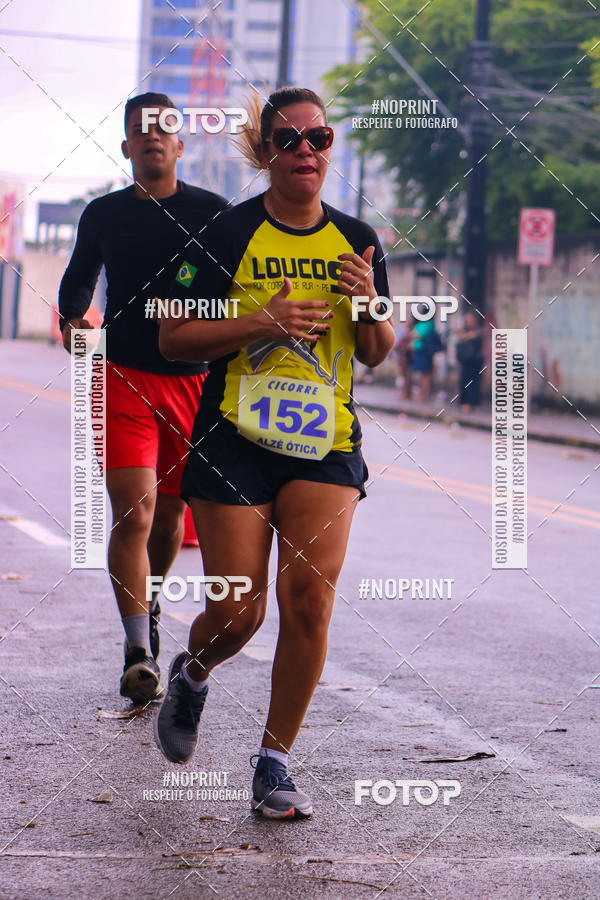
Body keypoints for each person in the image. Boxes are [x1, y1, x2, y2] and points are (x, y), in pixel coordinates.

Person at [153, 87, 396, 819]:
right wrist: (262, 322)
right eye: (288, 141)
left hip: (324, 442)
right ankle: (192, 673)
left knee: (310, 601)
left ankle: (274, 761)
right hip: (236, 438)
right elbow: (171, 336)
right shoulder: (226, 236)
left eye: (317, 139)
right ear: (264, 152)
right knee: (238, 612)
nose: (305, 152)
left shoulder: (357, 239)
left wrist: (369, 304)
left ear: (330, 149)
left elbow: (379, 354)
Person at [58, 93, 228, 704]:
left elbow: (234, 287)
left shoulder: (212, 212)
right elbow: (77, 282)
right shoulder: (102, 215)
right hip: (124, 376)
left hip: (196, 382)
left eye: (163, 129)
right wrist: (73, 319)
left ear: (180, 144)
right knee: (135, 509)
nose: (152, 137)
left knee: (173, 517)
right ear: (127, 146)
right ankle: (137, 650)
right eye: (139, 130)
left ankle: (150, 610)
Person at [410, 305, 440, 402]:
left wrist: (410, 336)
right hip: (419, 350)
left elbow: (417, 334)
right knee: (422, 373)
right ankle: (422, 394)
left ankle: (424, 395)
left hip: (424, 350)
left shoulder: (428, 323)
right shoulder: (422, 322)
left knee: (425, 374)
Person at [456, 311, 484, 411]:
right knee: (464, 381)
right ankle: (464, 402)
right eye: (466, 320)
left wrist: (464, 336)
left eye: (469, 320)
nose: (467, 322)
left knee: (472, 382)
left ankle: (470, 403)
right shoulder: (464, 330)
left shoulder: (477, 330)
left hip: (474, 360)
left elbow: (475, 336)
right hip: (465, 360)